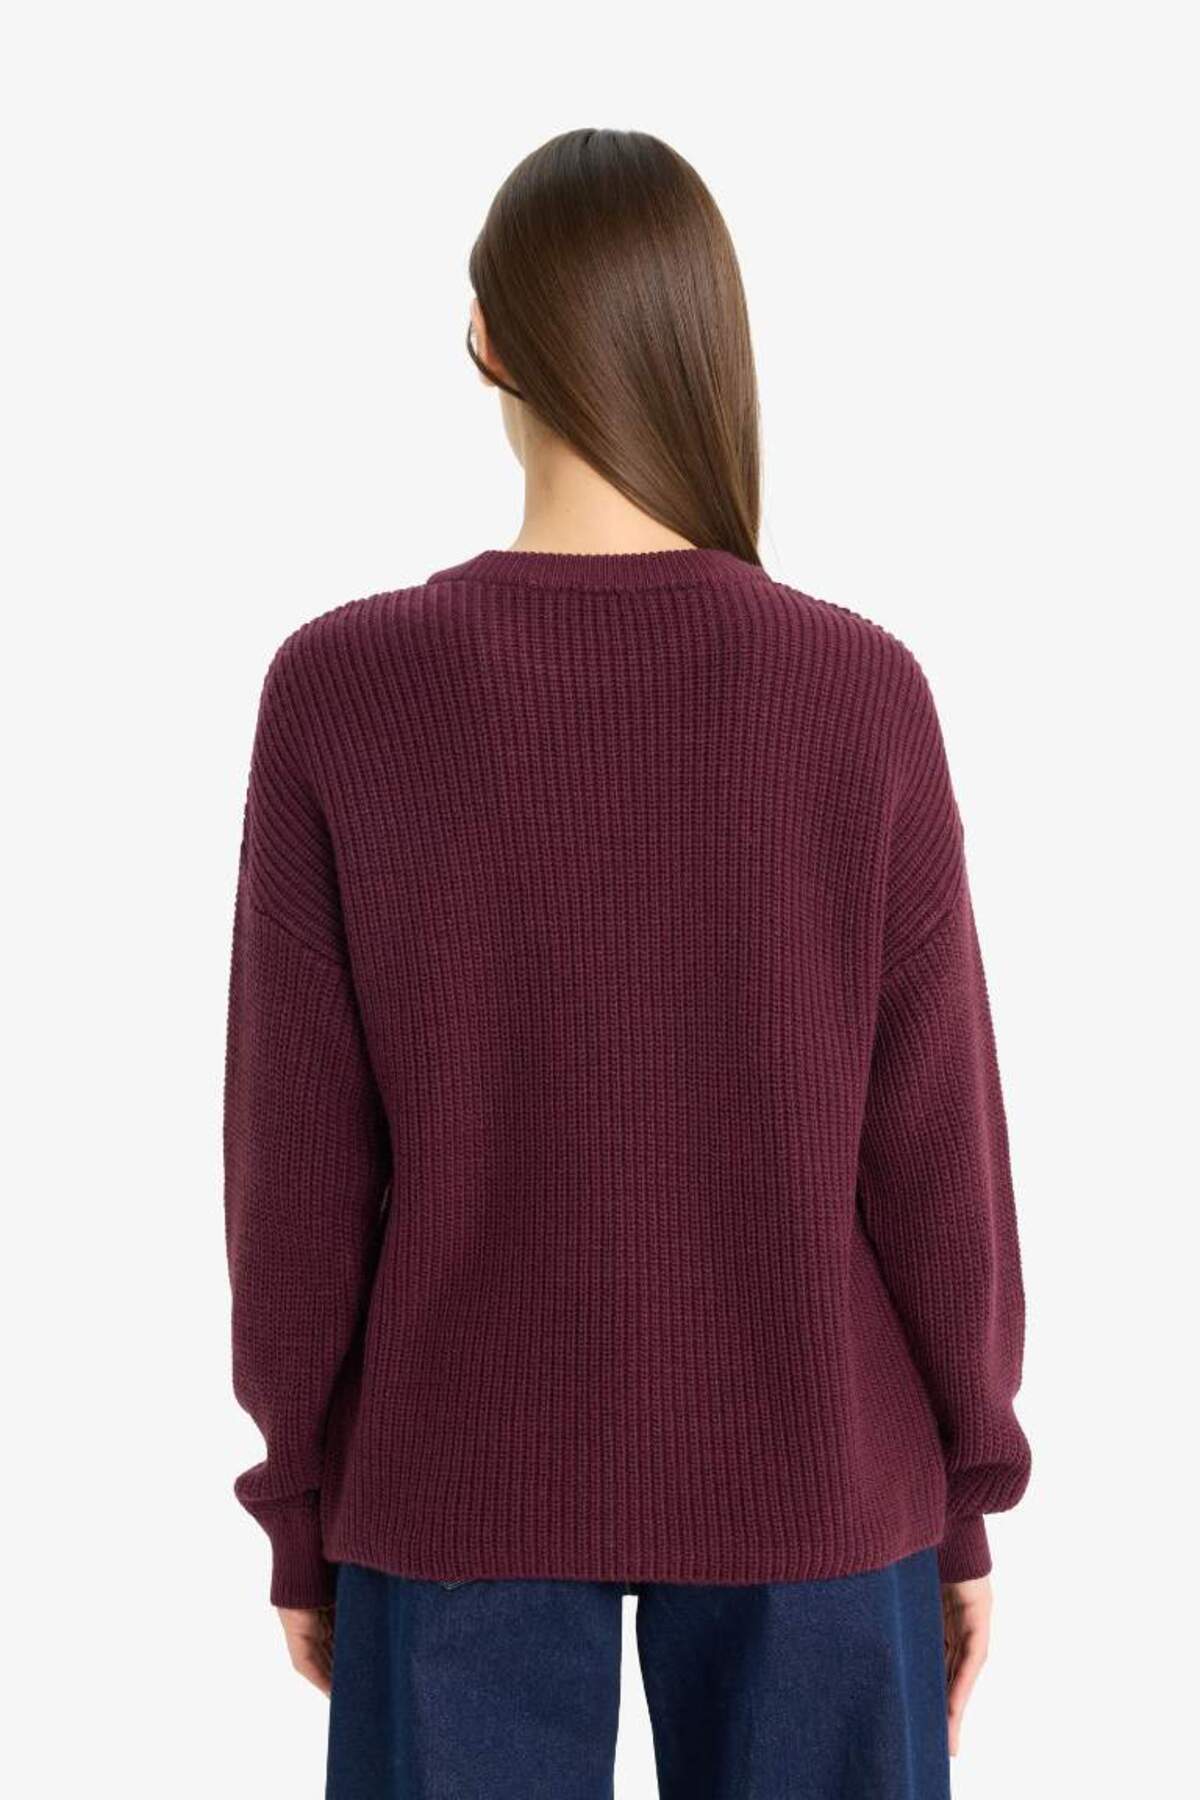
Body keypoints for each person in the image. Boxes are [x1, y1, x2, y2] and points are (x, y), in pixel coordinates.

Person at [223, 128, 1031, 1800]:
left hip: (451, 1479)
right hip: (822, 1475)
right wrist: (965, 1492)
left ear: (486, 338)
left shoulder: (341, 690)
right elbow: (937, 1156)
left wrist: (302, 1506)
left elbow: (293, 1169)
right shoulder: (858, 693)